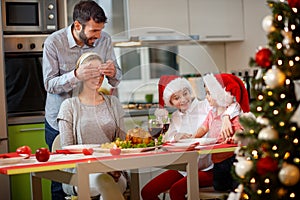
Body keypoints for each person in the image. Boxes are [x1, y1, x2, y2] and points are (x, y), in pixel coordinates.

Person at [42, 1, 122, 199]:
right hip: (61, 119)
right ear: (78, 26)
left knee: (101, 178)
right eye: (94, 30)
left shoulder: (104, 40)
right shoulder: (54, 42)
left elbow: (116, 77)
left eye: (101, 30)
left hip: (94, 118)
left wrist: (113, 73)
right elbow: (49, 84)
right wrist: (76, 75)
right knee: (62, 182)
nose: (98, 36)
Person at [141, 77, 242, 200]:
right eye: (176, 98)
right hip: (184, 168)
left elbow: (232, 103)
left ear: (190, 91)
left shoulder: (205, 105)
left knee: (176, 191)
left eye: (185, 93)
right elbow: (166, 140)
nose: (183, 100)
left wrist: (226, 116)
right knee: (147, 192)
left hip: (210, 168)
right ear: (170, 102)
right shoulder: (175, 117)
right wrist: (175, 137)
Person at [57, 52, 127, 200]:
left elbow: (123, 143)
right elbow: (67, 150)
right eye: (92, 73)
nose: (98, 78)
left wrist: (113, 168)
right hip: (78, 173)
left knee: (108, 183)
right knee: (104, 182)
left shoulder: (113, 103)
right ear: (81, 74)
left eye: (101, 73)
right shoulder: (69, 106)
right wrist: (99, 168)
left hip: (114, 171)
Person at [195, 73, 250, 192]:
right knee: (219, 186)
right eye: (206, 93)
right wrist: (193, 136)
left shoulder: (232, 114)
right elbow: (204, 128)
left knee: (236, 187)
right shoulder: (211, 113)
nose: (207, 97)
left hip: (231, 157)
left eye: (209, 93)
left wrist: (235, 137)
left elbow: (240, 129)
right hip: (217, 159)